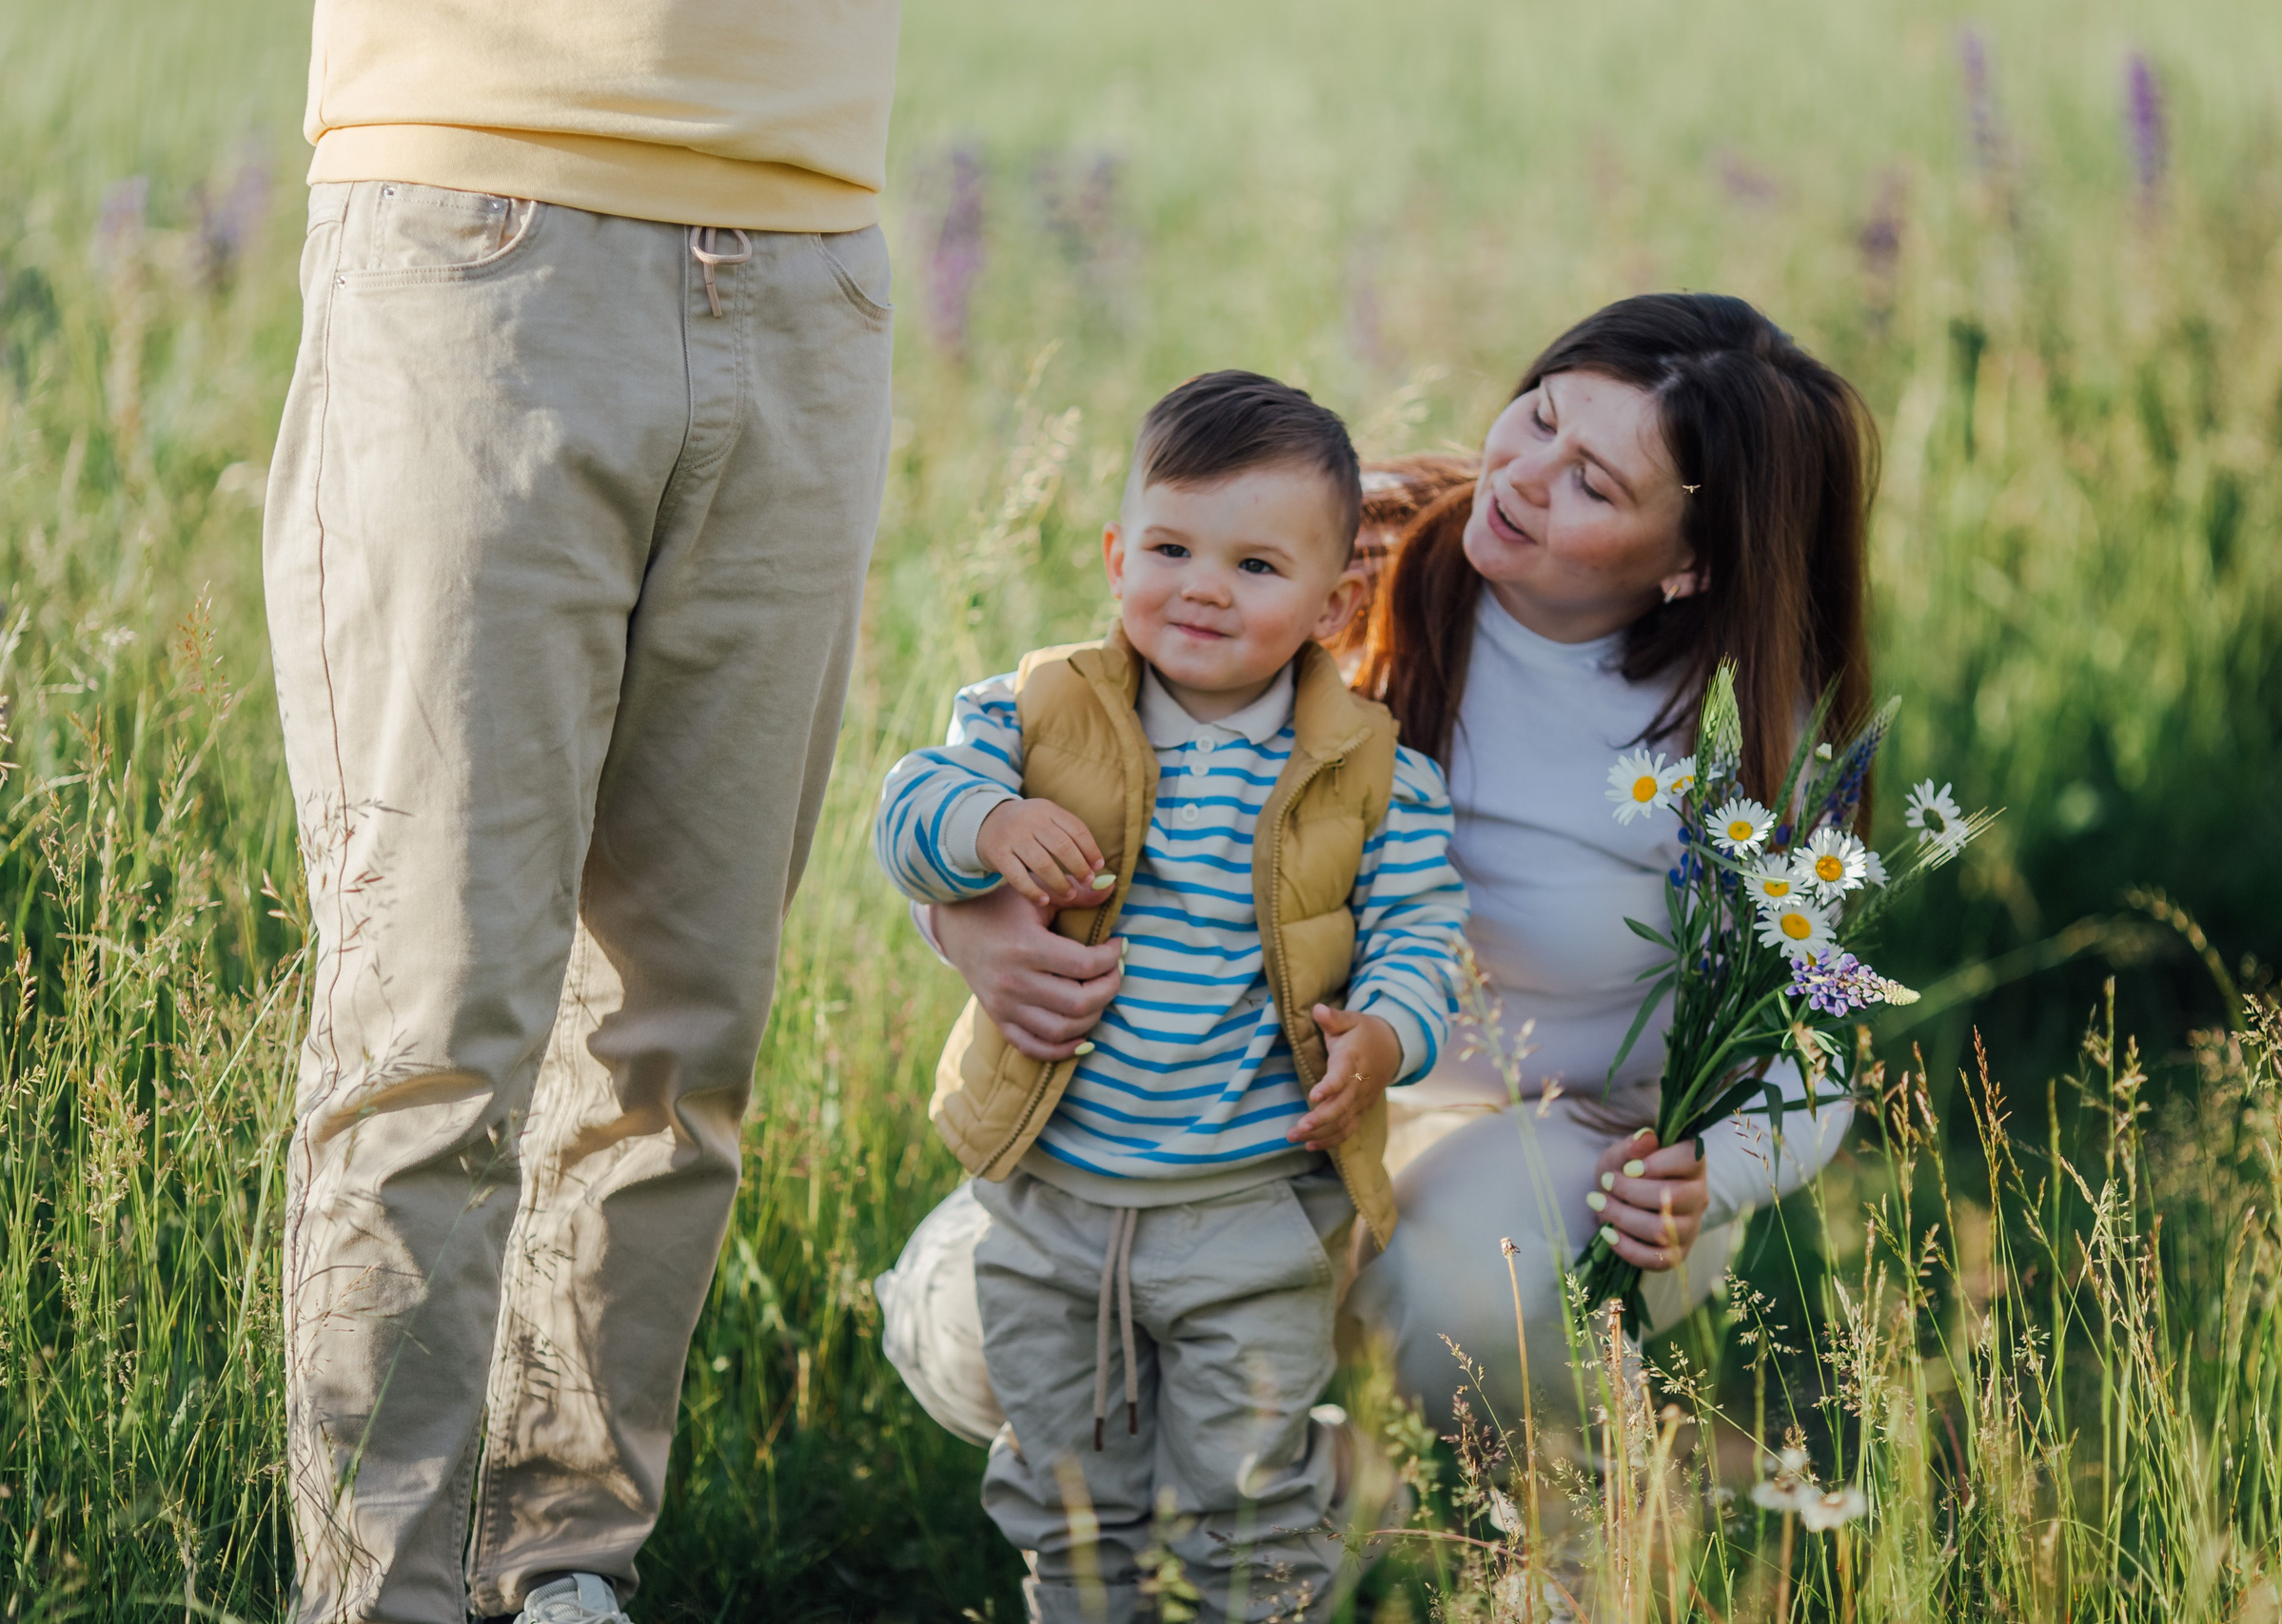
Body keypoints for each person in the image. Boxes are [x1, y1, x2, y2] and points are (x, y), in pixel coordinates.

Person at [891, 294, 1870, 1477]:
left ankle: (1404, 1503)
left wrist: (1714, 1173)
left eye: (1593, 484)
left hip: (1565, 1140)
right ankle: (1270, 1501)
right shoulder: (1353, 544)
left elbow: (1809, 1044)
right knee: (978, 1328)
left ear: (1691, 560)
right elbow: (1058, 749)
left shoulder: (1741, 735)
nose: (1521, 476)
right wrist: (969, 922)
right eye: (1540, 415)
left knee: (1461, 1297)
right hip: (1263, 1080)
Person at [262, 5, 899, 1620]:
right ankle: (384, 1595)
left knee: (683, 1032)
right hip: (481, 230)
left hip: (808, 257)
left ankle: (557, 1565)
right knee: (431, 1020)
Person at [872, 373, 1467, 1621]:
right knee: (1069, 1500)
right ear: (1115, 556)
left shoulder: (1373, 773)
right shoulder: (1029, 713)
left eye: (1255, 565)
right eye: (1170, 549)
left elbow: (1423, 935)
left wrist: (1384, 1033)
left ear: (1331, 604)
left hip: (1250, 1204)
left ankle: (1295, 1541)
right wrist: (987, 824)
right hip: (1053, 1198)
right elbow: (908, 810)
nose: (1203, 587)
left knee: (1244, 1506)